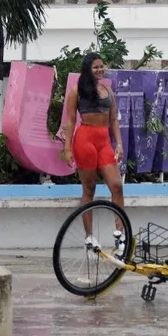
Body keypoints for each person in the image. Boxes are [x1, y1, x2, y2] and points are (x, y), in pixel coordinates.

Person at [61, 52, 126, 256]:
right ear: (88, 69)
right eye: (95, 67)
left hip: (104, 141)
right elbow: (71, 121)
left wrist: (119, 144)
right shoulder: (76, 91)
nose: (100, 70)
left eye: (101, 66)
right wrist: (68, 148)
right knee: (89, 189)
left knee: (116, 186)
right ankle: (89, 237)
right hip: (85, 139)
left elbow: (113, 119)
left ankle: (120, 234)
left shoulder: (108, 90)